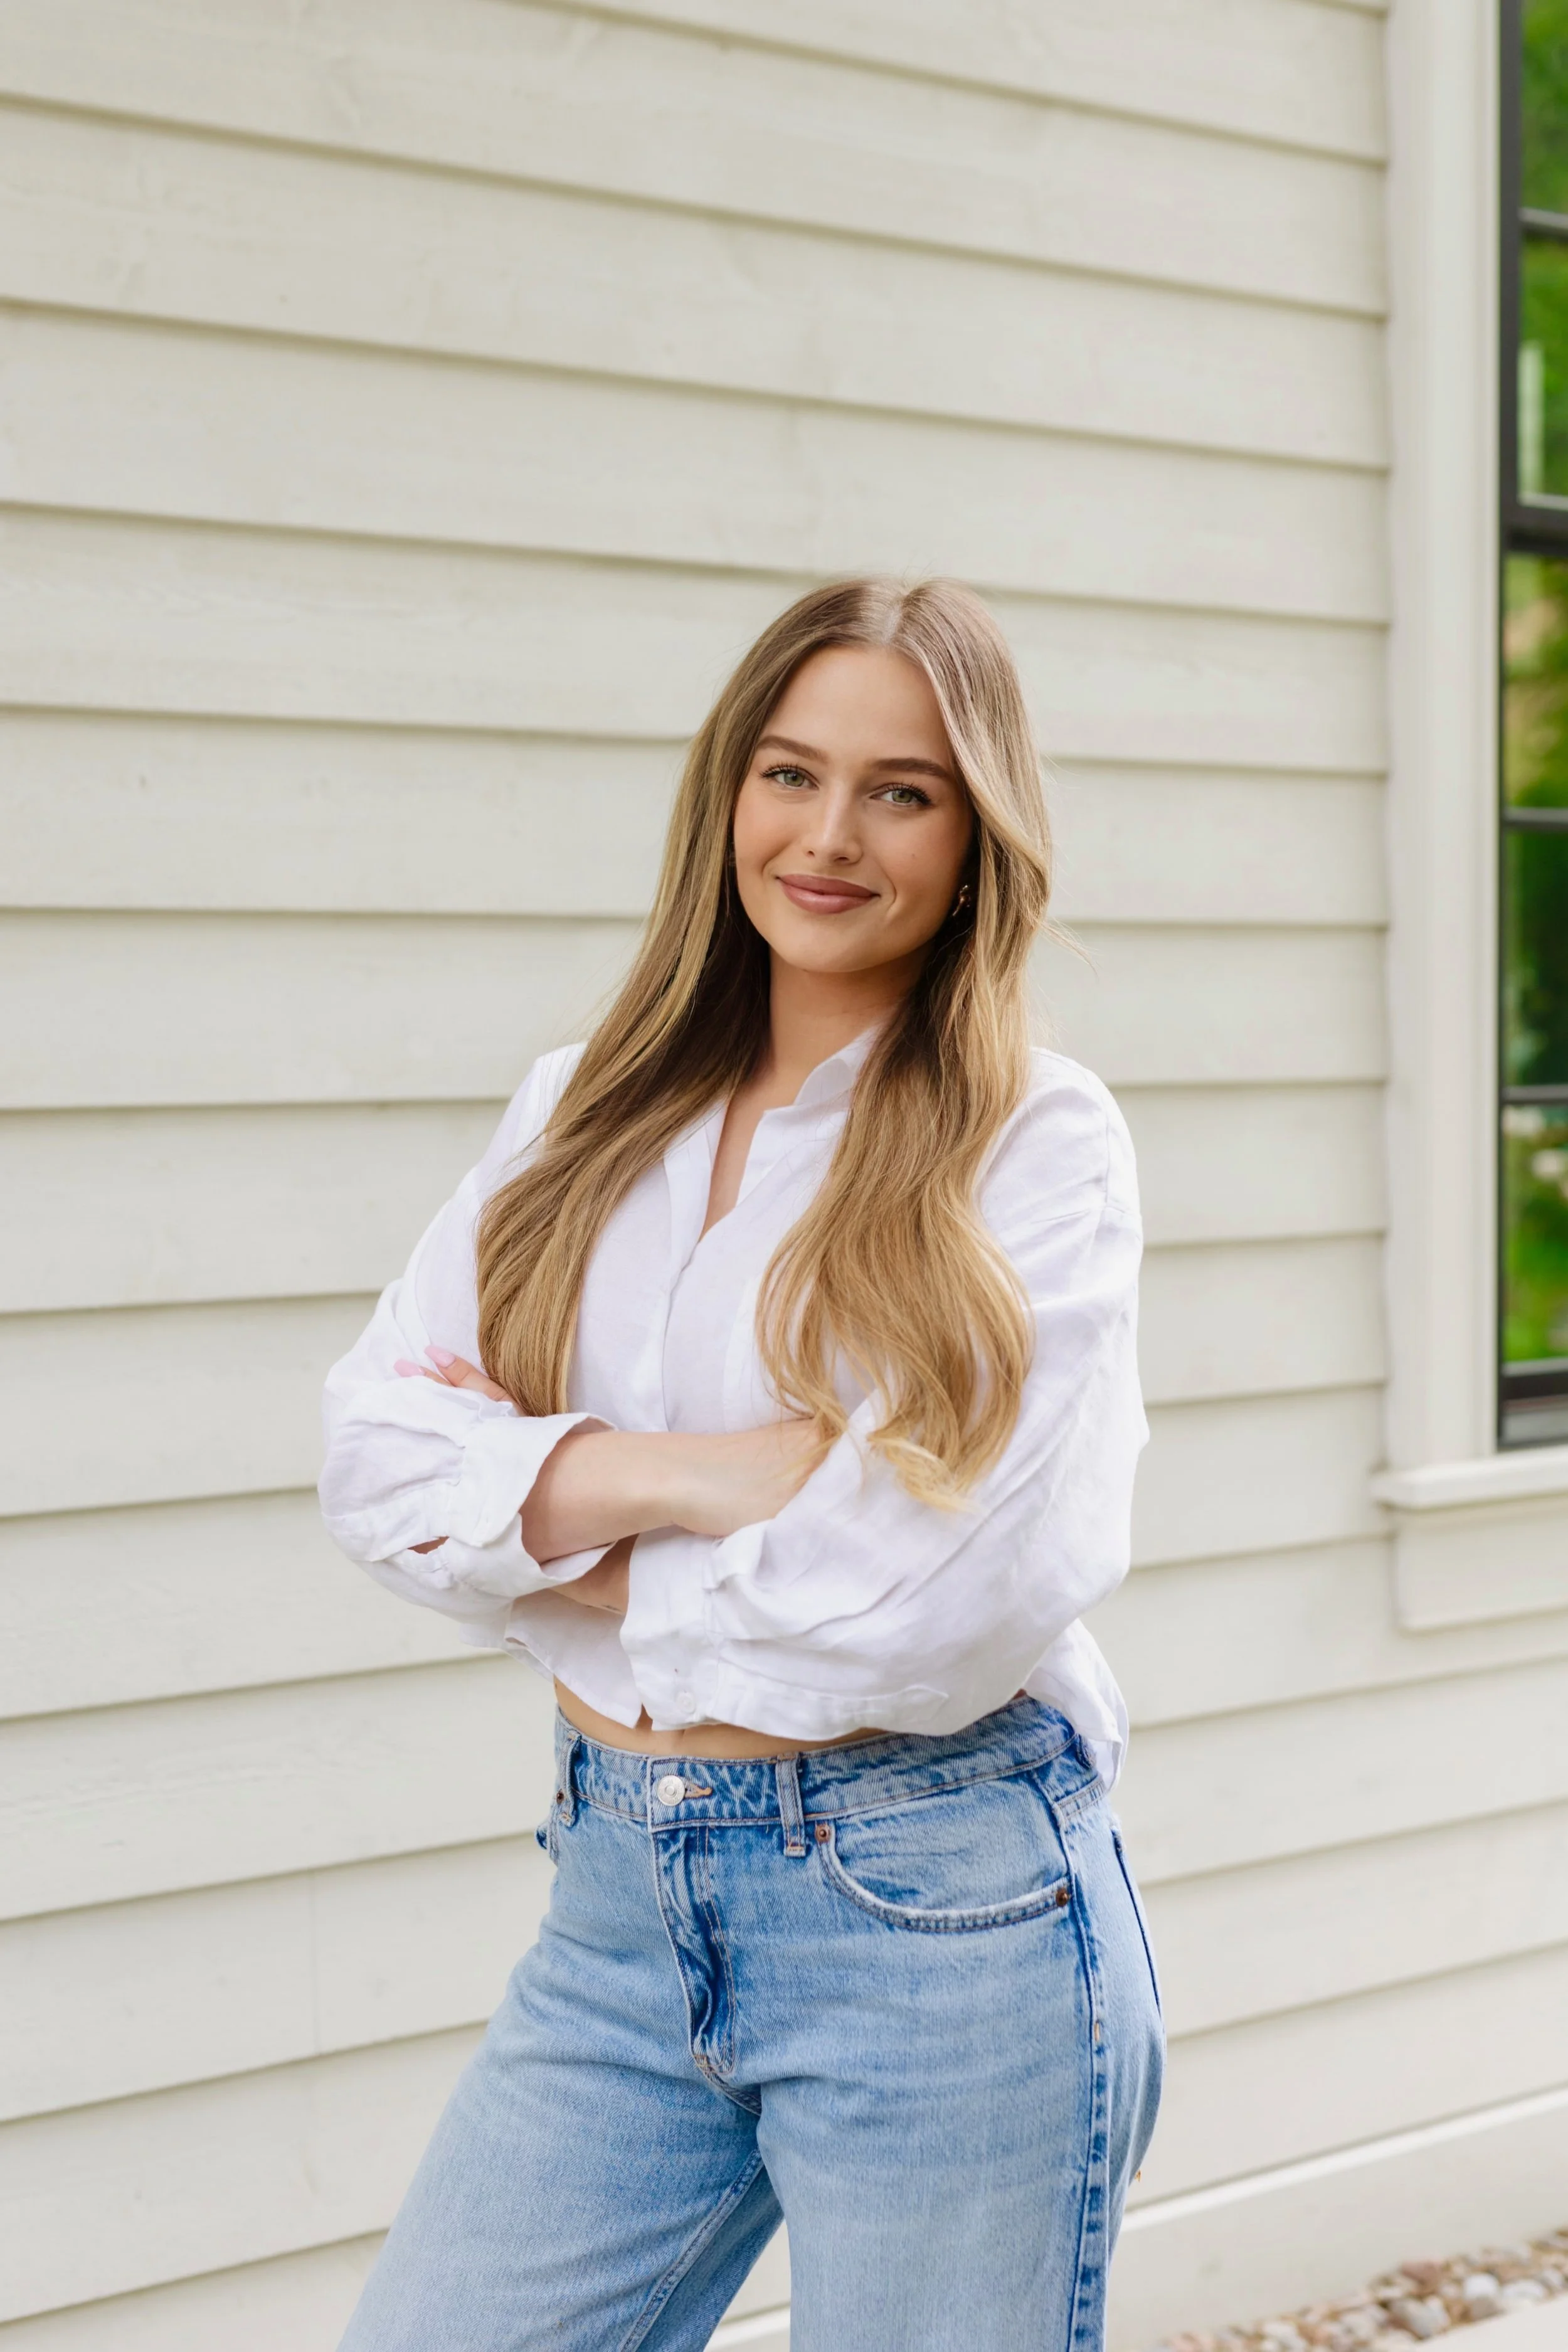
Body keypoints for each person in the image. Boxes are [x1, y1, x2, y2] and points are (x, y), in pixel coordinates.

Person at [319, 576, 1163, 2351]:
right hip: (620, 1901)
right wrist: (688, 1476)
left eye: (900, 791)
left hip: (936, 1908)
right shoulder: (579, 1110)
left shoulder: (1032, 1144)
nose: (828, 836)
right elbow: (380, 1464)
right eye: (789, 773)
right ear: (727, 795)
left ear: (976, 835)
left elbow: (939, 1604)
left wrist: (544, 1526)